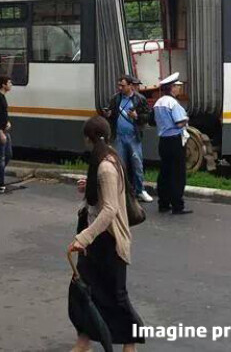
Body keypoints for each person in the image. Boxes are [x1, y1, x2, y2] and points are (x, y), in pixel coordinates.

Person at [68, 116, 143, 352]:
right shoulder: (105, 159)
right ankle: (84, 341)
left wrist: (84, 237)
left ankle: (130, 345)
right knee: (82, 292)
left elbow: (110, 209)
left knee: (116, 296)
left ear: (90, 139)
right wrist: (88, 185)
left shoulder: (106, 166)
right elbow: (103, 197)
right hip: (97, 241)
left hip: (108, 241)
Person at [102, 74, 152, 203]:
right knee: (120, 164)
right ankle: (122, 190)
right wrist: (109, 114)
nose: (120, 88)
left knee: (137, 164)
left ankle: (140, 190)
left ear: (130, 86)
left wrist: (136, 116)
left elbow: (148, 116)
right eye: (119, 85)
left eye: (122, 85)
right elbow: (112, 114)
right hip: (119, 136)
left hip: (133, 136)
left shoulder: (139, 99)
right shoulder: (116, 98)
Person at [153, 72, 192, 215]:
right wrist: (186, 119)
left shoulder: (158, 102)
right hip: (175, 140)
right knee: (177, 174)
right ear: (172, 88)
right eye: (177, 86)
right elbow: (179, 121)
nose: (179, 89)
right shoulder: (173, 103)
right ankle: (177, 205)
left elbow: (152, 121)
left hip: (163, 141)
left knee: (164, 172)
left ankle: (163, 203)